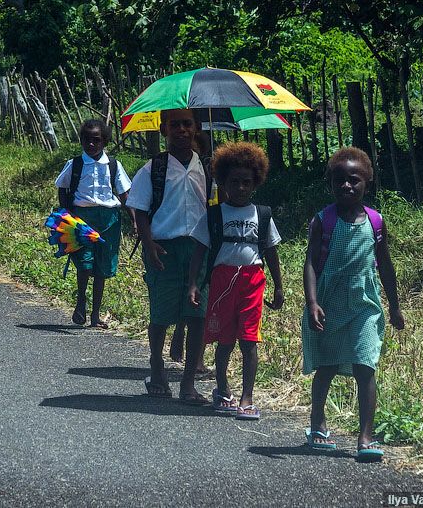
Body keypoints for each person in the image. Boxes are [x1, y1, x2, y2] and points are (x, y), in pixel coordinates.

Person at [302, 147, 404, 461]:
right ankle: (318, 423)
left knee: (365, 365)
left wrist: (395, 306)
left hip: (365, 304)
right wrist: (313, 302)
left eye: (354, 180)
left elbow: (385, 265)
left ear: (367, 184)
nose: (347, 186)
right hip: (329, 302)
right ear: (330, 184)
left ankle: (366, 437)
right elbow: (309, 263)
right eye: (339, 180)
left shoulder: (376, 221)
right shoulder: (323, 220)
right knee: (328, 365)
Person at [187, 142, 283, 420]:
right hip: (222, 279)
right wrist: (193, 283)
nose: (240, 188)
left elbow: (271, 251)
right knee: (224, 339)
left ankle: (247, 397)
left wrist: (278, 285)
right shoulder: (214, 215)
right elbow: (200, 251)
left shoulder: (262, 215)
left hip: (253, 280)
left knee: (249, 339)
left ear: (256, 183)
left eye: (246, 182)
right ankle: (223, 389)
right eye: (234, 182)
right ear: (223, 183)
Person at [126, 108, 210, 403]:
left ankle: (188, 383)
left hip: (200, 249)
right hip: (163, 248)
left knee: (197, 315)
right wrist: (148, 245)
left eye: (187, 124)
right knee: (161, 313)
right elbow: (139, 208)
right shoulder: (154, 169)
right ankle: (157, 366)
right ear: (164, 130)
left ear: (197, 128)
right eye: (175, 125)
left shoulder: (208, 167)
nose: (182, 130)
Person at [54, 119, 134, 328]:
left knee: (102, 266)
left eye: (96, 140)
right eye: (86, 140)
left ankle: (95, 314)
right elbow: (62, 187)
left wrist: (135, 219)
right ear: (81, 141)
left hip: (109, 220)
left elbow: (124, 193)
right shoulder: (75, 164)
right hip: (82, 219)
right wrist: (66, 215)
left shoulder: (114, 165)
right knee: (84, 262)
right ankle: (81, 302)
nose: (91, 144)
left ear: (105, 141)